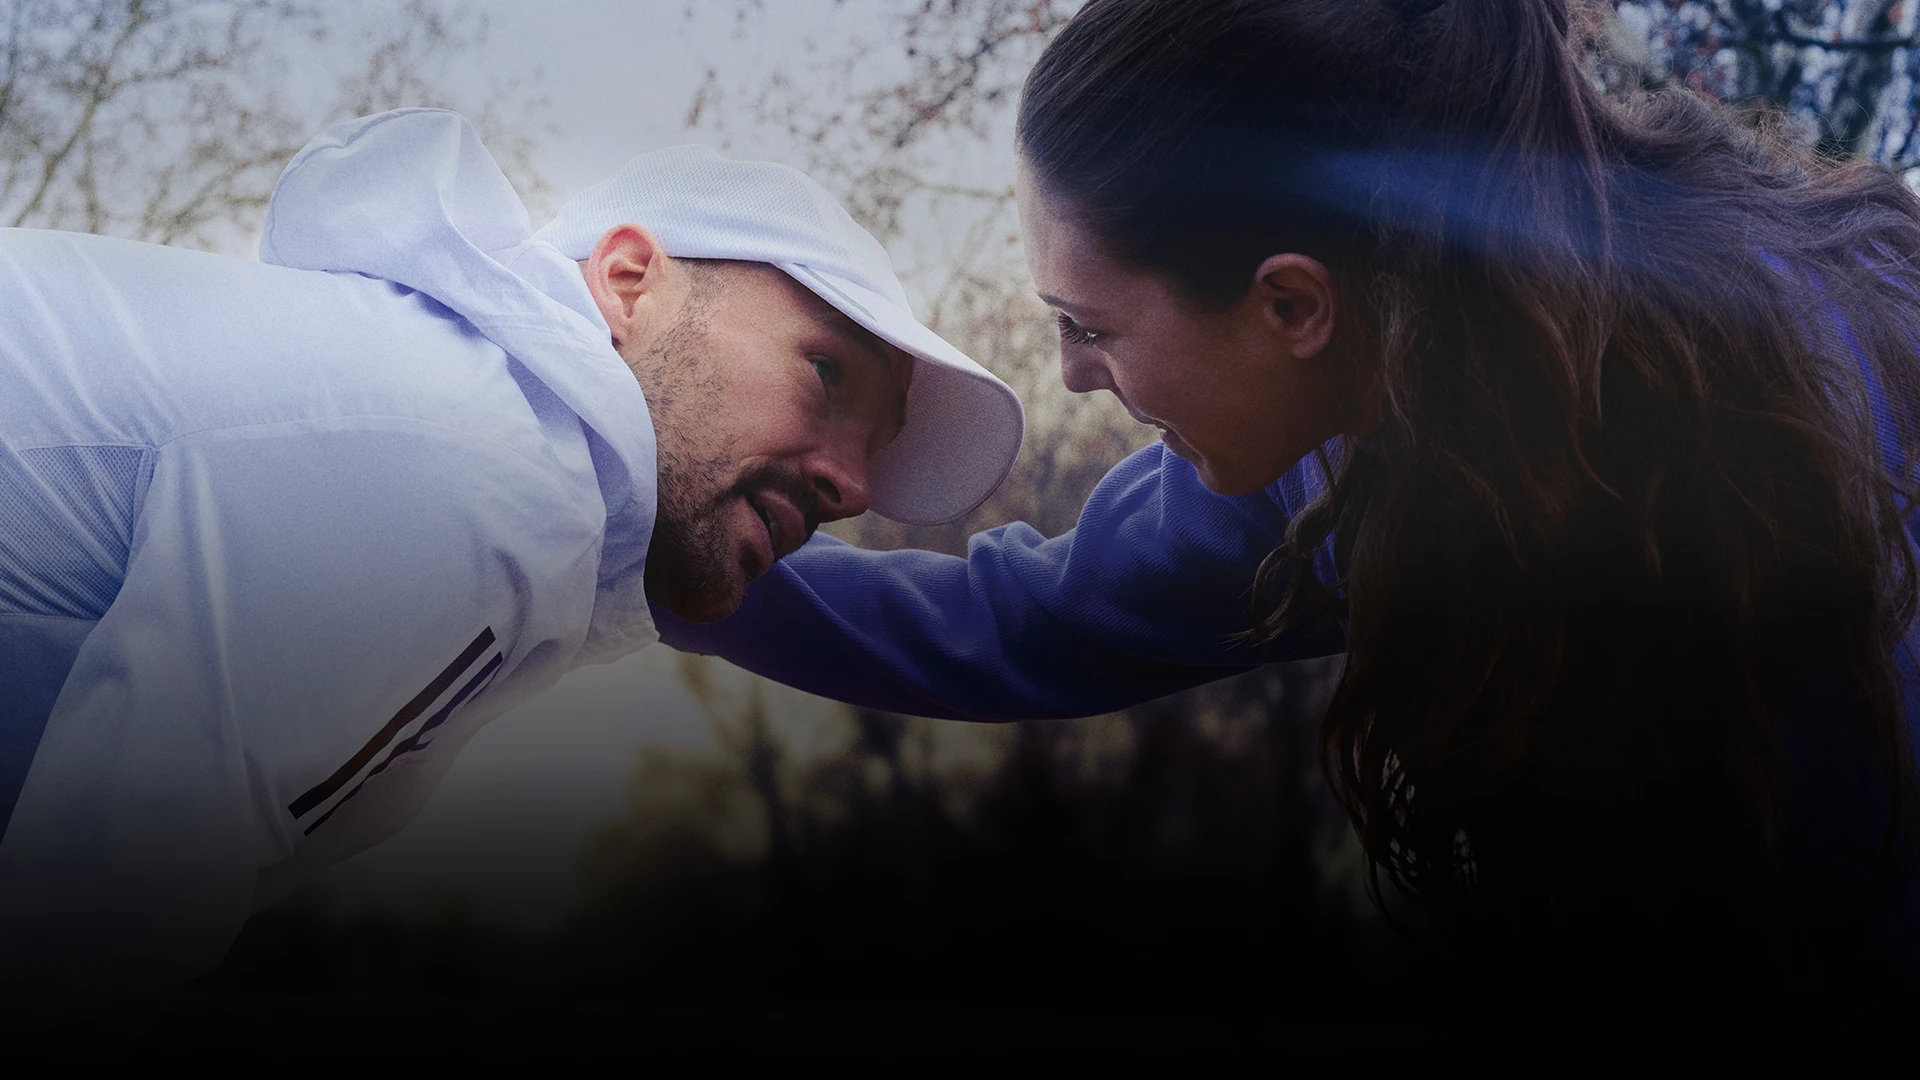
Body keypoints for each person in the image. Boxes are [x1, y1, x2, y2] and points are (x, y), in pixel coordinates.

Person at [660, 0, 1920, 1039]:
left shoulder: (1791, 442)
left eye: (1092, 326)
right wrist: (656, 533)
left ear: (1291, 306)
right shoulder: (1334, 433)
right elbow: (1029, 618)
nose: (1071, 375)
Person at [0, 107, 1022, 997]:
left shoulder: (468, 436)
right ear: (629, 283)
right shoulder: (478, 468)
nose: (851, 486)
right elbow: (92, 912)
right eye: (827, 376)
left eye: (876, 458)